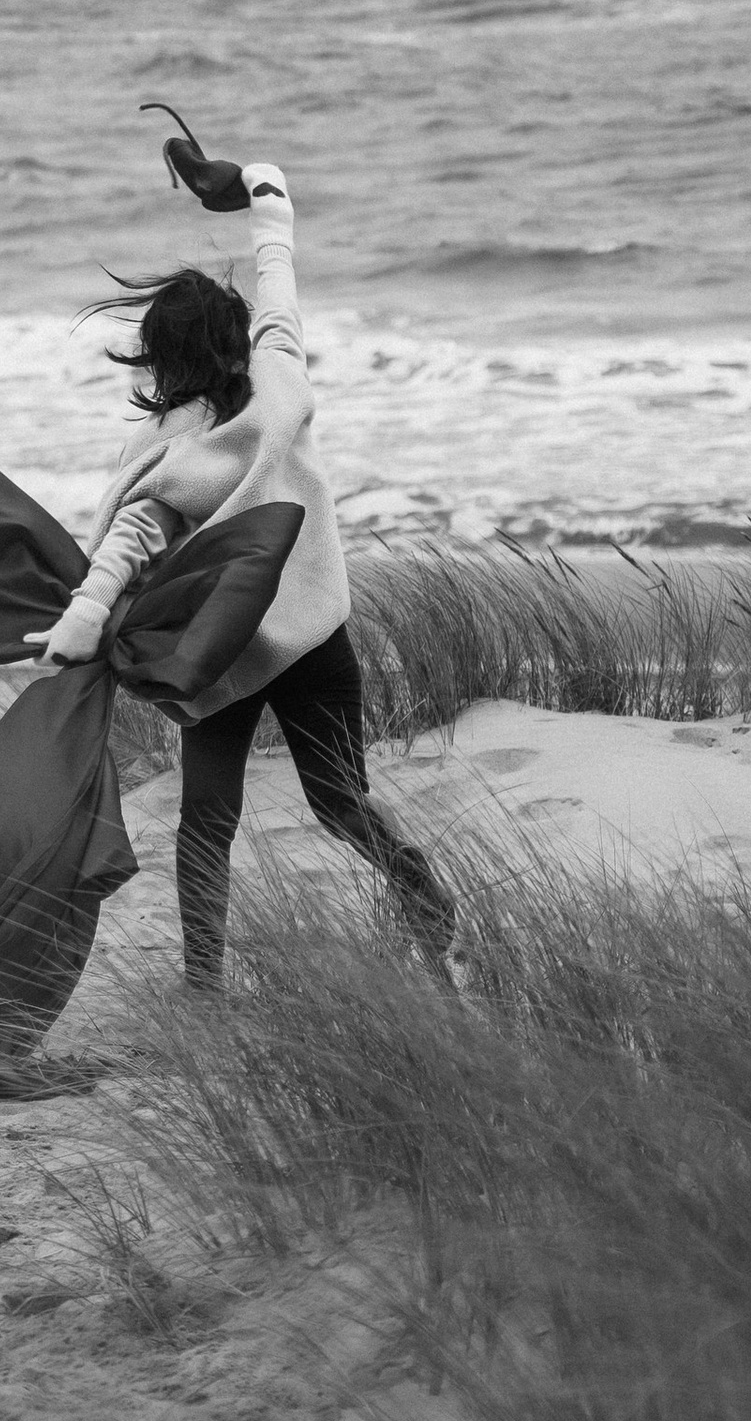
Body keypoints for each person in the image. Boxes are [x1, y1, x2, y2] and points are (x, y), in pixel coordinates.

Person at [23, 160, 451, 982]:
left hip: (221, 656)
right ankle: (418, 889)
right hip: (315, 637)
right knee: (340, 800)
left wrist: (84, 615)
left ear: (165, 357)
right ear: (235, 340)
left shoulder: (170, 447)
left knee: (207, 824)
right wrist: (264, 199)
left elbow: (132, 537)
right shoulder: (280, 379)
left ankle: (204, 982)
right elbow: (280, 290)